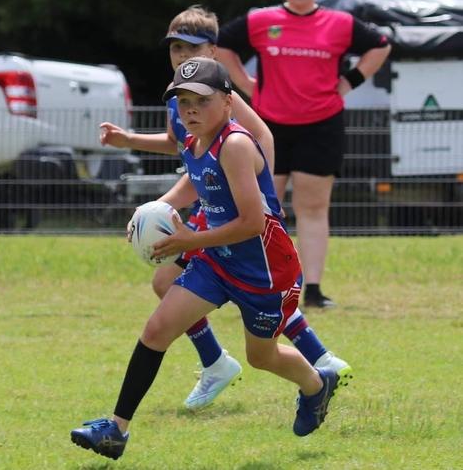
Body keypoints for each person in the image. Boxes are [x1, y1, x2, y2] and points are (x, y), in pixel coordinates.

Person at [71, 58, 341, 460]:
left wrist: (190, 238)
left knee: (260, 356)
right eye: (182, 101)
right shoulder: (193, 137)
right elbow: (193, 182)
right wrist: (152, 209)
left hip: (267, 271)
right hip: (218, 262)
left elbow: (252, 222)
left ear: (228, 103)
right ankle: (116, 429)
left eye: (201, 100)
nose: (190, 109)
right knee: (157, 329)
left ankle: (317, 386)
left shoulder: (234, 145)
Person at [99, 5, 350, 411]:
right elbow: (181, 146)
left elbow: (259, 137)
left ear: (213, 52)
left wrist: (257, 187)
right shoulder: (178, 98)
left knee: (249, 284)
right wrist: (129, 141)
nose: (181, 56)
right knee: (171, 284)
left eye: (191, 48)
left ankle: (307, 361)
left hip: (230, 208)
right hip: (212, 204)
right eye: (175, 48)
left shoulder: (221, 97)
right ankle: (248, 361)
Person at [216, 0, 391, 308]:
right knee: (265, 209)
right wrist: (243, 84)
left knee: (313, 208)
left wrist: (349, 82)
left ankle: (312, 290)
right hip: (269, 127)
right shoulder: (261, 20)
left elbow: (380, 45)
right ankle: (254, 284)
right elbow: (223, 44)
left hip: (321, 125)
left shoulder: (340, 23)